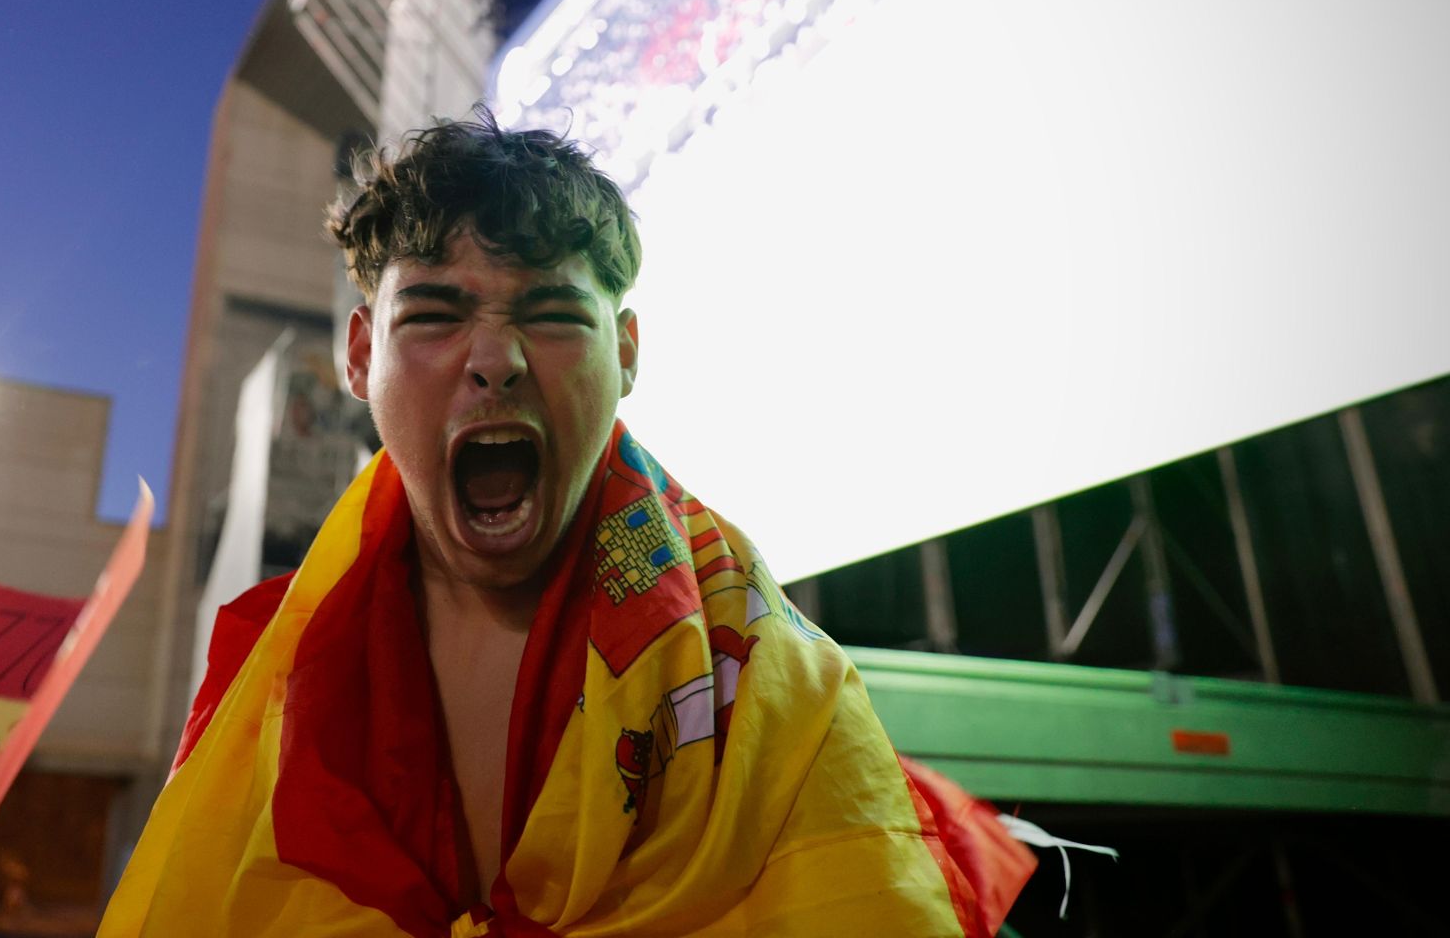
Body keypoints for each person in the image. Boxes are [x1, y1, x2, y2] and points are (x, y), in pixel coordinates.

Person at [101, 112, 1026, 937]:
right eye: (432, 313)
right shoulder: (267, 687)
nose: (495, 360)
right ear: (358, 357)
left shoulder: (777, 691)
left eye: (550, 314)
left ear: (625, 354)